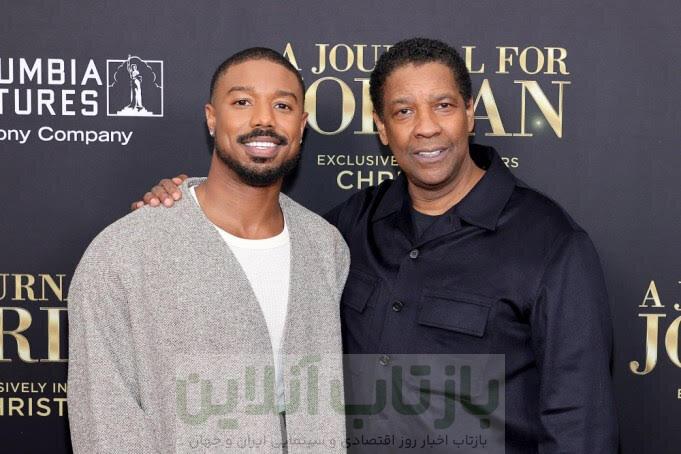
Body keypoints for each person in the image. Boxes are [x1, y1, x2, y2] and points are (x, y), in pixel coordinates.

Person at [132, 38, 618, 452]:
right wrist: (184, 200)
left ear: (469, 113)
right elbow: (255, 230)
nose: (425, 127)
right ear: (383, 129)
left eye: (443, 106)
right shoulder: (348, 226)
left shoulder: (551, 245)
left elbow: (580, 424)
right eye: (403, 111)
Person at [68, 47, 349, 453]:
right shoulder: (124, 252)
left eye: (282, 105)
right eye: (242, 102)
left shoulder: (325, 247)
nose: (264, 120)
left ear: (301, 125)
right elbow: (103, 420)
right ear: (212, 118)